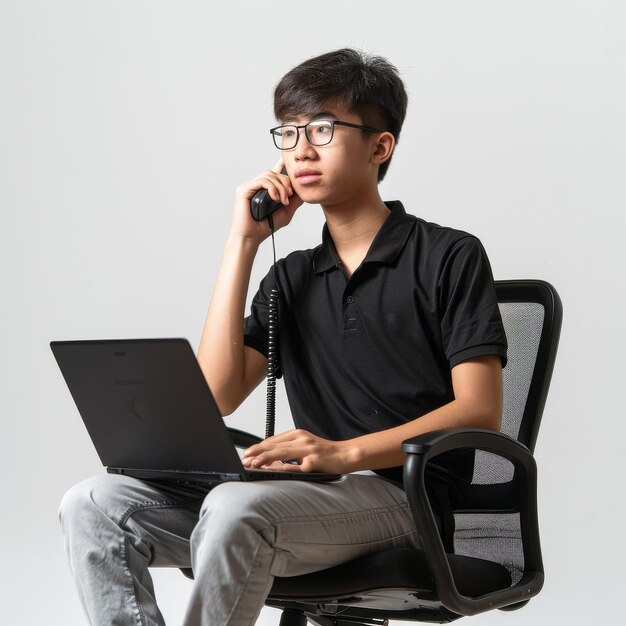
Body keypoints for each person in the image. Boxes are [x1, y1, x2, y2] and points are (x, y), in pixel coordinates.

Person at [59, 48, 507, 626]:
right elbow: (216, 396)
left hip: (404, 498)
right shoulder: (290, 277)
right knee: (94, 504)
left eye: (323, 128)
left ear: (380, 146)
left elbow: (479, 410)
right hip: (303, 495)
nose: (300, 149)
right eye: (288, 132)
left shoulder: (448, 256)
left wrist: (343, 452)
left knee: (232, 507)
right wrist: (241, 243)